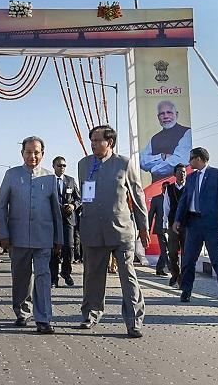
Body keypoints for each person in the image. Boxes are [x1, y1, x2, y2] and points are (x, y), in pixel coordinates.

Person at [77, 125, 149, 338]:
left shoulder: (124, 164)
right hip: (92, 230)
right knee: (92, 277)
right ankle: (91, 314)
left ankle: (134, 321)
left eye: (98, 140)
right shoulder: (83, 164)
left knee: (128, 277)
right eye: (92, 140)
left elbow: (138, 197)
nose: (94, 144)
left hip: (120, 230)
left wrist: (143, 226)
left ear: (110, 142)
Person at [0, 136, 63, 334]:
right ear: (22, 153)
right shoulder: (11, 175)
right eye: (28, 152)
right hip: (17, 237)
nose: (32, 156)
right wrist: (4, 234)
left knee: (43, 276)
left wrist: (59, 238)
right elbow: (1, 207)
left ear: (42, 154)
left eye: (36, 152)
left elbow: (56, 211)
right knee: (21, 277)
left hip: (43, 237)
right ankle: (22, 311)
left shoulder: (50, 178)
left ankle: (43, 319)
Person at [173, 147, 218, 308]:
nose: (189, 162)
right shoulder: (192, 178)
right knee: (188, 260)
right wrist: (178, 220)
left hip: (212, 225)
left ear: (200, 159)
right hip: (193, 224)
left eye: (192, 158)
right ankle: (185, 290)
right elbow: (184, 201)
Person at [140, 100, 192, 181]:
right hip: (157, 188)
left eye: (169, 112)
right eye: (162, 114)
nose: (166, 116)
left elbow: (178, 161)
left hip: (180, 186)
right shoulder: (154, 138)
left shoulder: (187, 133)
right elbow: (142, 162)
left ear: (176, 114)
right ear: (158, 117)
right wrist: (162, 156)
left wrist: (154, 169)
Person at [49, 156, 81, 287]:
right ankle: (53, 277)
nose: (62, 168)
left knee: (68, 247)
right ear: (54, 166)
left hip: (68, 219)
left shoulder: (71, 181)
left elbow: (79, 199)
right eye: (59, 165)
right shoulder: (49, 181)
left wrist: (73, 206)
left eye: (64, 165)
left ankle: (66, 272)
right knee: (54, 250)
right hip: (52, 219)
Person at [163, 163, 187, 287]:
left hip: (187, 224)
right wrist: (165, 223)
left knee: (186, 252)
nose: (182, 174)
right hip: (172, 225)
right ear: (174, 174)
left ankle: (183, 277)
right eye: (179, 172)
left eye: (184, 172)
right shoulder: (169, 189)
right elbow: (166, 207)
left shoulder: (189, 187)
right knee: (172, 252)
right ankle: (175, 273)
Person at [149, 182, 170, 276]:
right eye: (164, 188)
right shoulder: (156, 199)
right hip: (160, 228)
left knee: (169, 250)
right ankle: (172, 269)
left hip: (171, 228)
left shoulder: (173, 198)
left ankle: (159, 268)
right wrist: (147, 229)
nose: (165, 189)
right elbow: (151, 215)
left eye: (167, 188)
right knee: (164, 250)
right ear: (162, 188)